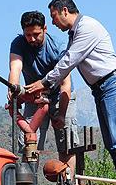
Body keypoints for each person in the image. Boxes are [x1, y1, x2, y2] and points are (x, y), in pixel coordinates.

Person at [25, 0, 116, 181]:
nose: (52, 22)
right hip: (101, 89)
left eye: (53, 16)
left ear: (65, 11)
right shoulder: (74, 35)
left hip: (112, 85)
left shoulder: (87, 27)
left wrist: (43, 83)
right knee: (111, 142)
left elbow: (68, 61)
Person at [8, 10, 73, 166]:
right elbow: (15, 68)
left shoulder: (58, 46)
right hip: (33, 97)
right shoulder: (18, 43)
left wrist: (62, 114)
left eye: (36, 34)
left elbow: (65, 83)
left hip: (60, 96)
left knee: (67, 146)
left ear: (45, 28)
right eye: (28, 35)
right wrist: (14, 92)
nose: (31, 39)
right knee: (28, 144)